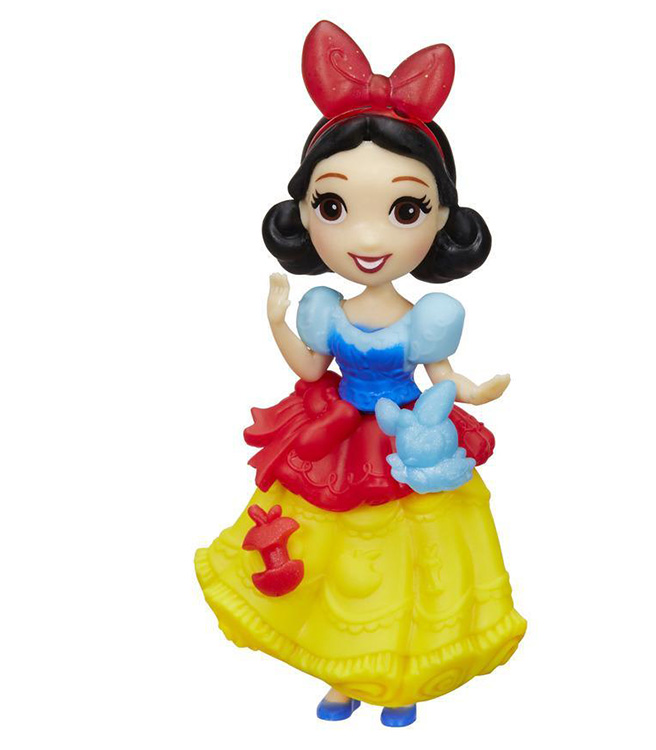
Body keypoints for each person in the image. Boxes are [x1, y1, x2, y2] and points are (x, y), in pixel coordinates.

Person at [195, 20, 526, 728]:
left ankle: (399, 679)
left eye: (405, 210)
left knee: (408, 559)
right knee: (329, 559)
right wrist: (278, 321)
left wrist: (474, 393)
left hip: (407, 439)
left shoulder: (428, 318)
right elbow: (309, 366)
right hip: (338, 433)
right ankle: (341, 674)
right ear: (304, 213)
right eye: (334, 207)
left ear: (441, 218)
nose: (369, 238)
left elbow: (445, 374)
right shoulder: (325, 308)